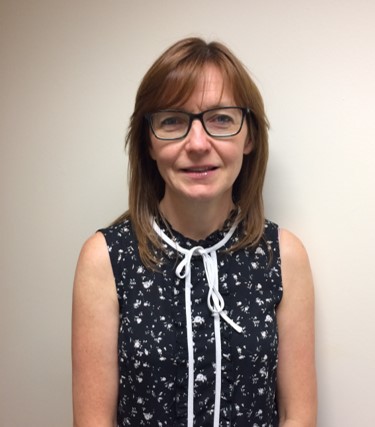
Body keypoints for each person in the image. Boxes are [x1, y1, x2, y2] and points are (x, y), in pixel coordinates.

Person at [72, 37, 317, 427]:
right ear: (149, 143)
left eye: (221, 118)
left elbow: (297, 414)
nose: (198, 143)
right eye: (172, 120)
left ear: (249, 137)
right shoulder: (104, 259)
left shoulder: (284, 256)